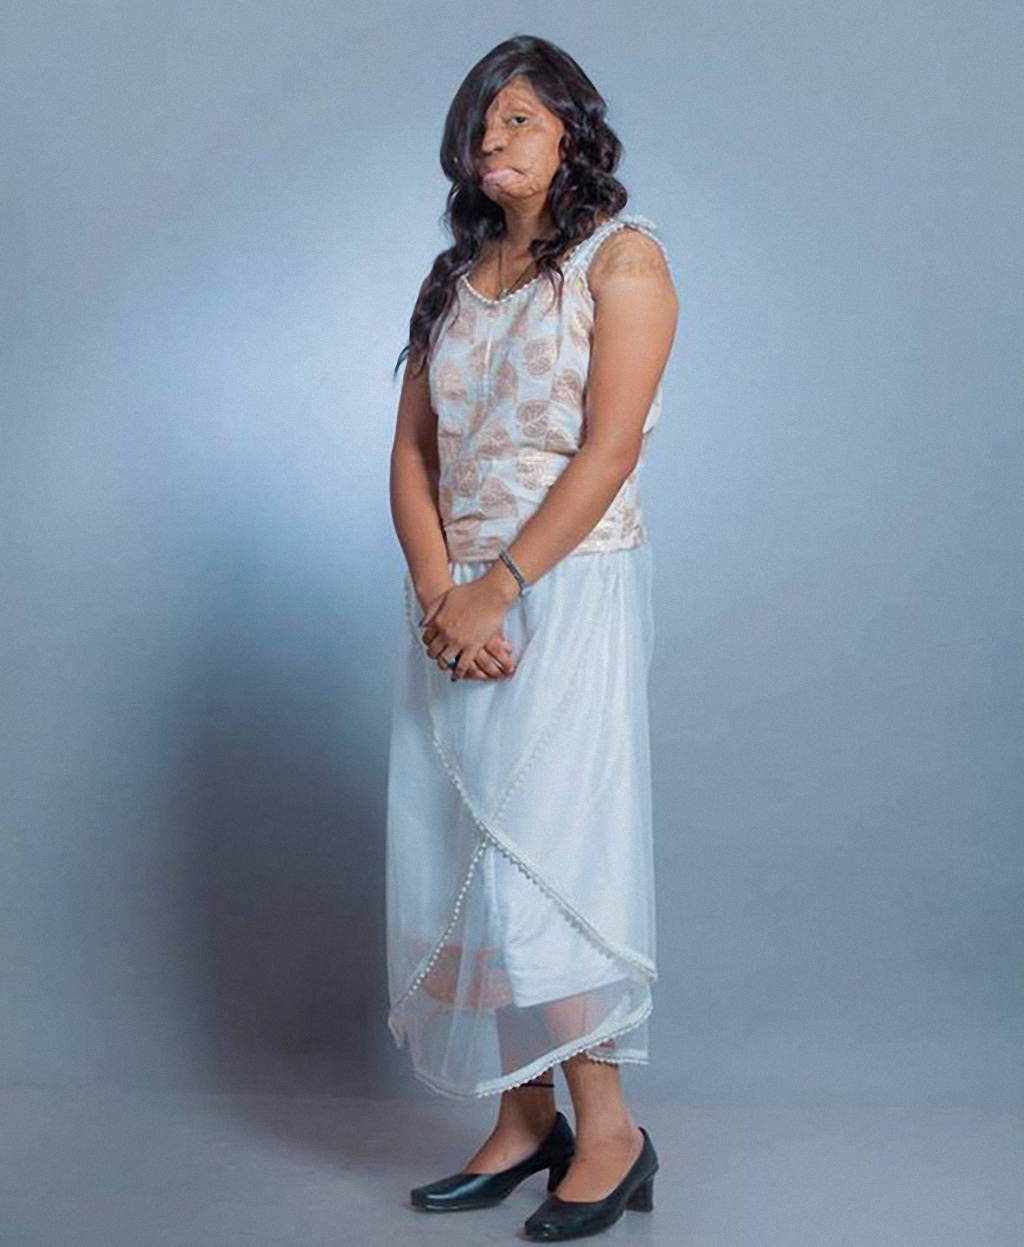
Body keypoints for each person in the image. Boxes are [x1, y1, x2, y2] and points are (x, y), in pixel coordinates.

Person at [385, 34, 679, 1242]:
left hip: (562, 587)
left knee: (544, 854)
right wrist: (439, 594)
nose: (492, 138)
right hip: (457, 603)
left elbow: (611, 448)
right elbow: (412, 454)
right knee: (468, 857)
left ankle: (609, 1131)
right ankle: (523, 1119)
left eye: (517, 117)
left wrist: (497, 588)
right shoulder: (455, 277)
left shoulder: (625, 260)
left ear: (571, 131)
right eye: (480, 121)